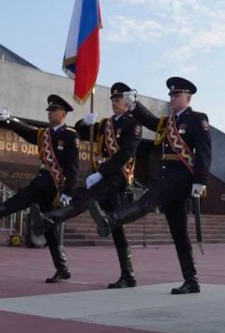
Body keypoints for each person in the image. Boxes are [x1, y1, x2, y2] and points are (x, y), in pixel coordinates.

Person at [90, 77, 211, 295]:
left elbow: (203, 151)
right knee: (179, 233)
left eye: (176, 95)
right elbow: (152, 122)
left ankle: (111, 220)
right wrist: (135, 105)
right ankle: (191, 280)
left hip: (181, 178)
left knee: (148, 200)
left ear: (188, 97)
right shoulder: (169, 122)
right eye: (171, 95)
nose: (173, 98)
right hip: (169, 177)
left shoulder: (197, 119)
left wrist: (200, 181)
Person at [31, 82, 142, 289]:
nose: (114, 103)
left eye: (117, 100)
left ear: (126, 103)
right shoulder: (106, 123)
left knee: (85, 198)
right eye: (112, 100)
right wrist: (85, 121)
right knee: (116, 227)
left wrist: (102, 172)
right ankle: (128, 274)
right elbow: (82, 131)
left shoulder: (133, 124)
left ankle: (49, 219)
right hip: (103, 177)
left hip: (117, 176)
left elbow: (126, 153)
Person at [0, 95, 79, 283]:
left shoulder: (70, 135)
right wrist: (8, 120)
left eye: (53, 111)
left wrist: (68, 192)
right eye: (48, 111)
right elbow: (27, 132)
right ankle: (62, 268)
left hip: (54, 187)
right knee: (49, 229)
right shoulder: (44, 135)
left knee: (16, 206)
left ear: (63, 114)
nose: (49, 114)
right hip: (41, 183)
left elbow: (73, 166)